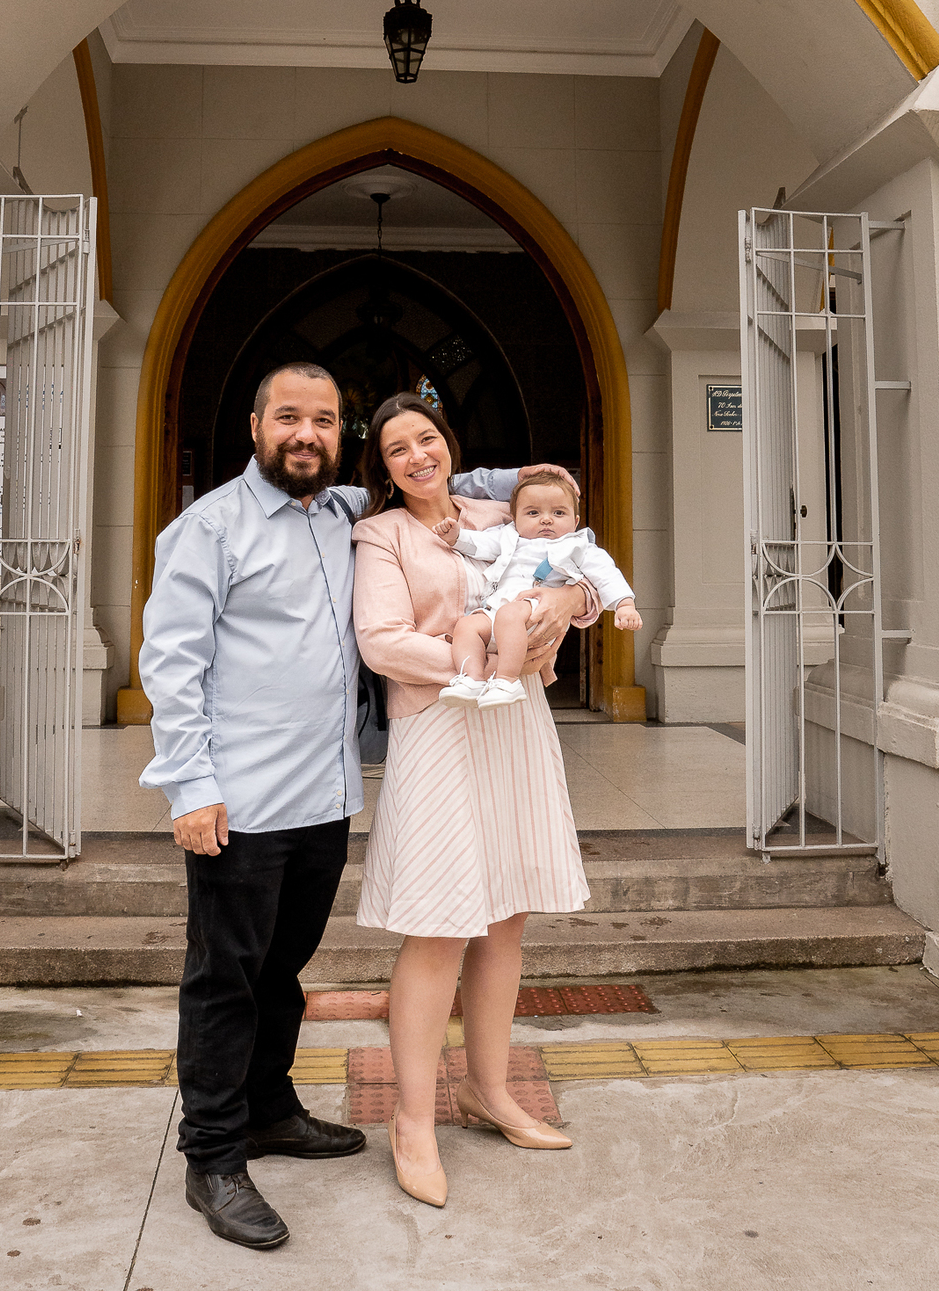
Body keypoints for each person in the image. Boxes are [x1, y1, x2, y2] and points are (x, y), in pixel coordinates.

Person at [138, 363, 582, 1251]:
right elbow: (172, 661)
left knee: (281, 967)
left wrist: (573, 590)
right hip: (240, 794)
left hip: (323, 790)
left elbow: (505, 489)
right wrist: (190, 786)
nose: (306, 434)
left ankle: (270, 1111)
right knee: (224, 973)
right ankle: (214, 1156)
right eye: (289, 418)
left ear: (341, 442)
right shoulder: (209, 527)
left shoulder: (342, 510)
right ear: (256, 426)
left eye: (325, 421)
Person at [351, 393, 607, 1210]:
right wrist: (473, 666)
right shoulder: (380, 535)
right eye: (398, 449)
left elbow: (575, 567)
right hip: (437, 726)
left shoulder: (497, 511)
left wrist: (568, 604)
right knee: (437, 925)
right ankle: (413, 1118)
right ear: (383, 467)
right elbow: (381, 641)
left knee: (507, 918)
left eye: (427, 439)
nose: (418, 456)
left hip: (517, 726)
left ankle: (488, 1092)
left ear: (449, 443)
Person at [434, 470, 642, 708]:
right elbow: (479, 544)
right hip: (497, 611)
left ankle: (507, 680)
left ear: (575, 521)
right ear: (515, 518)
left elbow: (606, 573)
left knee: (510, 614)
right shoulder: (508, 536)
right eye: (533, 512)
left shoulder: (577, 545)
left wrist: (624, 604)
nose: (546, 519)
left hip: (536, 610)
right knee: (467, 625)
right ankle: (471, 679)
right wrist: (456, 536)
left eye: (558, 512)